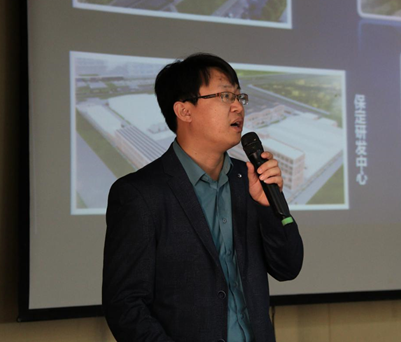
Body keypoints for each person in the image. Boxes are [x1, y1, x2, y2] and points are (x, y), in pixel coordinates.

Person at [102, 53, 304, 342]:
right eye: (225, 96)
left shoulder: (249, 179)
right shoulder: (140, 194)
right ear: (184, 111)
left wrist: (266, 206)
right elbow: (125, 305)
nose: (238, 107)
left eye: (239, 96)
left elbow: (288, 267)